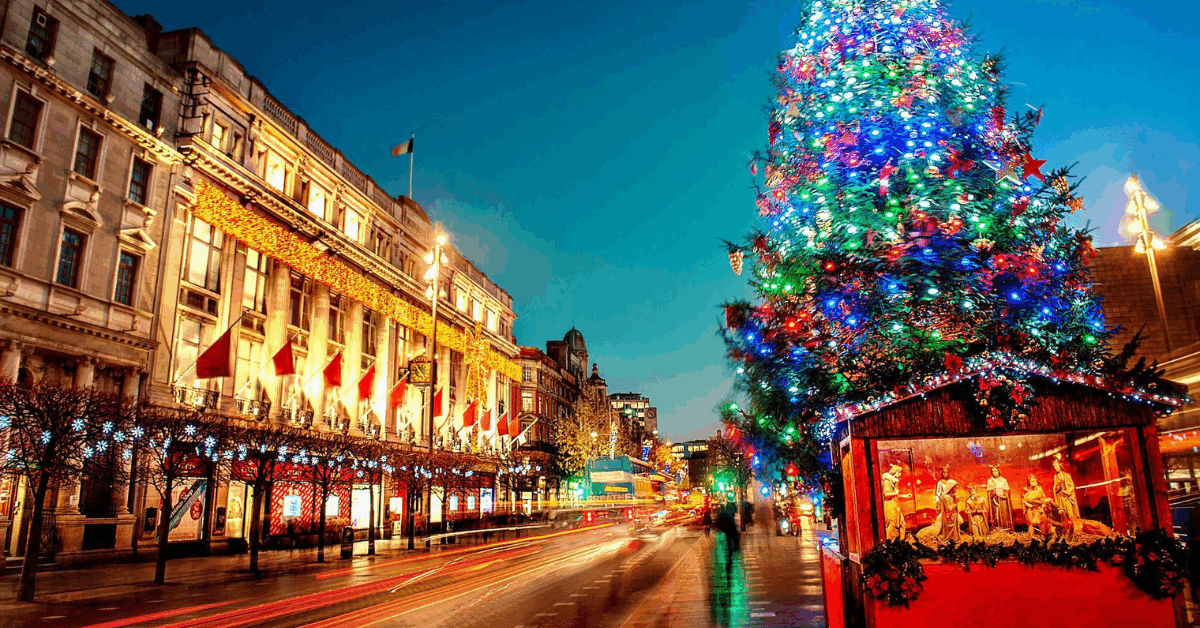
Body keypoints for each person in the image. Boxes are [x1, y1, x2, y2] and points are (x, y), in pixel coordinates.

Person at [881, 463, 911, 540]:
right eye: (899, 472)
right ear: (895, 472)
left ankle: (901, 542)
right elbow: (887, 495)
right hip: (890, 505)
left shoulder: (893, 482)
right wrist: (896, 493)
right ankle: (888, 542)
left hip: (895, 504)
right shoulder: (887, 482)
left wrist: (905, 496)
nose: (900, 474)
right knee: (892, 525)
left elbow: (895, 495)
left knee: (902, 524)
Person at [934, 465, 961, 542]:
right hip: (946, 505)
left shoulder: (950, 482)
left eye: (947, 472)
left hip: (950, 504)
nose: (945, 474)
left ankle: (954, 535)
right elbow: (938, 494)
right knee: (946, 521)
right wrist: (938, 503)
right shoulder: (940, 483)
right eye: (944, 472)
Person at [715, 502, 741, 576]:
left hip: (721, 537)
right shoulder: (729, 516)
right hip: (726, 538)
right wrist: (736, 544)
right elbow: (733, 531)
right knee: (728, 556)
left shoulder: (723, 514)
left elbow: (717, 524)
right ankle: (728, 570)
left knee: (726, 556)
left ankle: (727, 570)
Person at [986, 465, 1014, 530]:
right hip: (994, 501)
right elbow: (989, 492)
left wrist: (1004, 494)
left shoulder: (1003, 480)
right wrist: (993, 492)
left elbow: (1007, 491)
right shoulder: (990, 481)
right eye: (993, 471)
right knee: (996, 514)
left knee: (1004, 514)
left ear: (999, 471)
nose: (994, 473)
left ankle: (1005, 528)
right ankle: (996, 528)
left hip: (1003, 501)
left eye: (996, 471)